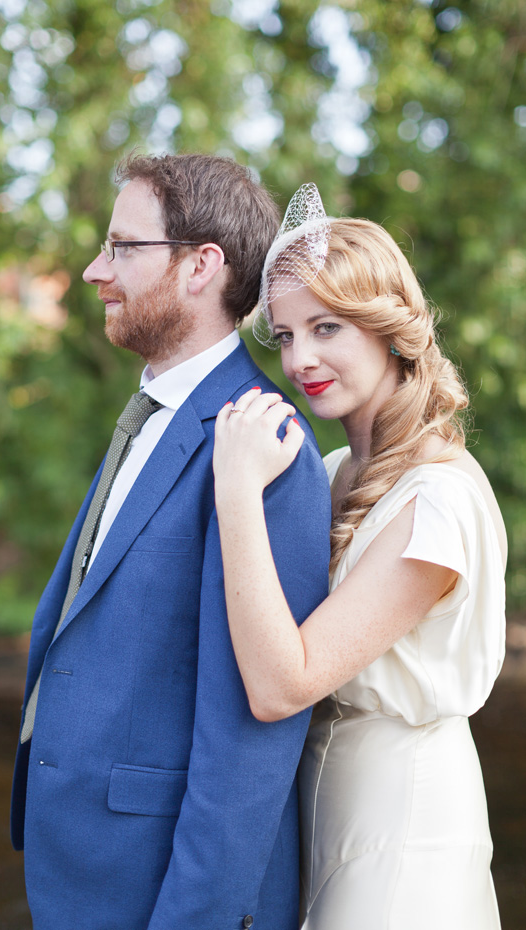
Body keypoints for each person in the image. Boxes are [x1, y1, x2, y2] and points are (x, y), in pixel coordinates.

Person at [10, 156, 332, 930]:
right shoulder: (150, 415)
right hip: (81, 872)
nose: (95, 270)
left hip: (165, 895)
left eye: (123, 248)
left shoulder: (268, 443)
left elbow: (250, 749)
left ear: (200, 266)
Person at [213, 183, 506, 930]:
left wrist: (237, 491)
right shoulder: (339, 466)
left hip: (404, 819)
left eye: (327, 327)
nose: (300, 357)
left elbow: (284, 685)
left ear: (387, 330)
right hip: (328, 807)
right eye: (283, 335)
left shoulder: (435, 498)